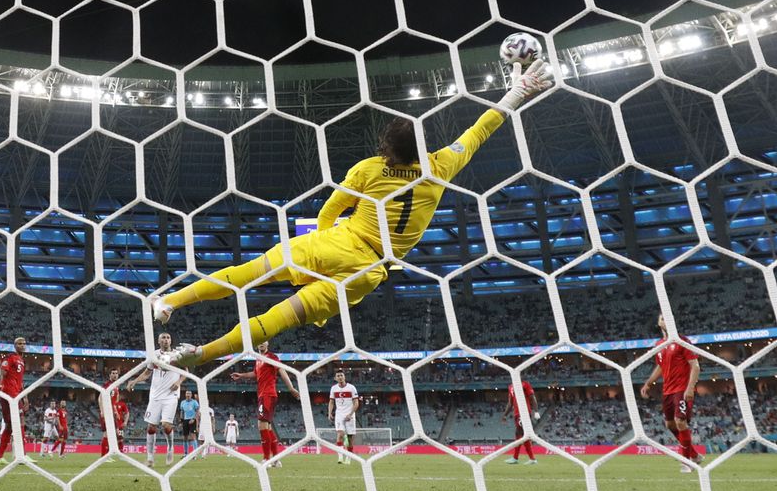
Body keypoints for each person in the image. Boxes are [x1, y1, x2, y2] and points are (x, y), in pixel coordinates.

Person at [155, 61, 554, 368]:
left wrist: (318, 249)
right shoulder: (440, 166)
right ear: (421, 145)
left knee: (251, 273)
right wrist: (515, 94)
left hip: (337, 243)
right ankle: (203, 353)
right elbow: (479, 132)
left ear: (386, 148)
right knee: (279, 319)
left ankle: (170, 302)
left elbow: (329, 211)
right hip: (368, 270)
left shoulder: (368, 169)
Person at [640, 314, 704, 472]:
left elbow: (695, 366)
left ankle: (686, 461)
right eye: (662, 318)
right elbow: (661, 367)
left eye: (667, 317)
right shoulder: (660, 344)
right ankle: (694, 455)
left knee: (680, 421)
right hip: (667, 390)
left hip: (682, 388)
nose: (665, 320)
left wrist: (690, 388)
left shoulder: (682, 341)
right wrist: (648, 383)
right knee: (670, 424)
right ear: (658, 322)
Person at [231, 341, 299, 466]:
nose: (261, 343)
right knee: (267, 427)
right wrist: (241, 375)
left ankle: (267, 459)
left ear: (267, 343)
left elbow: (281, 370)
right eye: (259, 342)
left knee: (261, 425)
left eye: (264, 341)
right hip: (262, 395)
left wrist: (291, 388)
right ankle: (276, 460)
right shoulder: (258, 359)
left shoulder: (271, 357)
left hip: (268, 394)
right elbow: (255, 374)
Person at [128, 333, 184, 467]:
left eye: (168, 338)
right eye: (163, 338)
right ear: (159, 341)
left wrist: (179, 382)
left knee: (166, 425)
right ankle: (150, 458)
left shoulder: (178, 355)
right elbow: (147, 373)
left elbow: (185, 371)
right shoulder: (154, 355)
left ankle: (170, 448)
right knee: (151, 427)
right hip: (155, 396)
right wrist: (135, 381)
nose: (166, 340)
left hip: (171, 395)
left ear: (171, 340)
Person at [0, 337, 27, 465]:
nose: (22, 345)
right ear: (14, 345)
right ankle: (22, 455)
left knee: (9, 426)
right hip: (9, 394)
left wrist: (25, 397)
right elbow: (1, 375)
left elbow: (20, 382)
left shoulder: (22, 360)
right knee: (20, 421)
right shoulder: (10, 358)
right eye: (19, 343)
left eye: (24, 343)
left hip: (17, 395)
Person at [502, 379, 540, 465]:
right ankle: (531, 458)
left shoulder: (525, 384)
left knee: (519, 434)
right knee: (522, 435)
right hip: (516, 414)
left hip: (524, 412)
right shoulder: (511, 387)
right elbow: (510, 403)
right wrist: (505, 415)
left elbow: (532, 397)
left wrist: (536, 411)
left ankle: (517, 458)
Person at [328, 369, 359, 465]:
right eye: (338, 376)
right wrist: (329, 413)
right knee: (340, 434)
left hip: (350, 414)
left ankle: (348, 458)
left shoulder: (351, 388)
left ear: (344, 376)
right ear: (335, 378)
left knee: (350, 438)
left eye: (341, 375)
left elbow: (356, 403)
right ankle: (340, 457)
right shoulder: (333, 388)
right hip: (339, 414)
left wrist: (350, 414)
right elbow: (331, 402)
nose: (340, 377)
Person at [99, 369, 121, 458]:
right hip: (107, 411)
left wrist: (115, 411)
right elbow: (100, 398)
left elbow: (116, 400)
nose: (115, 375)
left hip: (112, 411)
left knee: (115, 433)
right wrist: (102, 410)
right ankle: (104, 456)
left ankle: (108, 454)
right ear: (110, 375)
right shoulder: (107, 385)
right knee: (106, 434)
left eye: (116, 373)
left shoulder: (116, 386)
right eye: (113, 373)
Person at [178, 390, 199, 458]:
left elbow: (197, 412)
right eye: (187, 393)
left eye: (189, 393)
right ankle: (185, 453)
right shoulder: (182, 402)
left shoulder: (194, 402)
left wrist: (193, 419)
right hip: (185, 421)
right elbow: (182, 412)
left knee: (193, 436)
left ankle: (194, 454)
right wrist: (181, 421)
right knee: (185, 437)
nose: (188, 394)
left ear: (191, 395)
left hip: (192, 420)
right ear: (185, 394)